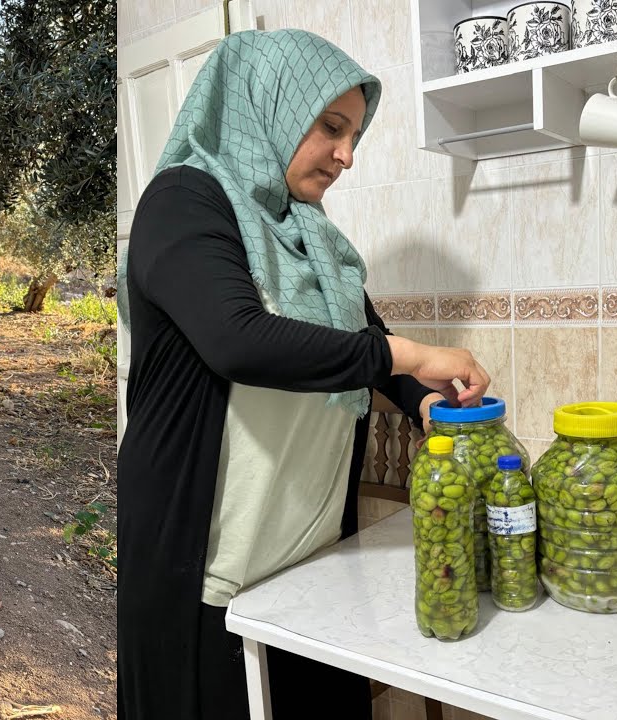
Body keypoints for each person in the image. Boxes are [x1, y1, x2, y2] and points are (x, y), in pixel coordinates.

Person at [116, 30, 491, 719]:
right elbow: (237, 339)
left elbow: (364, 337)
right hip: (211, 574)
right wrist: (411, 356)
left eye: (354, 135)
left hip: (311, 563)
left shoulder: (307, 233)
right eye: (331, 128)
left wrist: (422, 400)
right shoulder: (183, 202)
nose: (347, 156)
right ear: (269, 108)